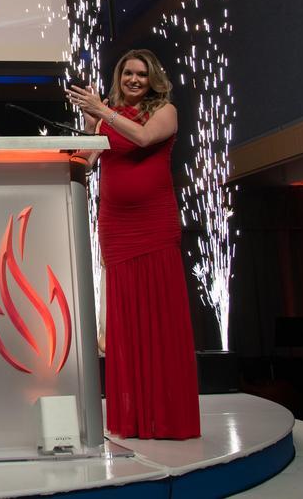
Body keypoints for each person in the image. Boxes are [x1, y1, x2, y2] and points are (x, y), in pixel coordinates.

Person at [67, 48, 201, 440]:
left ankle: (167, 416)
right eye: (128, 73)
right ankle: (134, 417)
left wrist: (103, 112)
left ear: (153, 78)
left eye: (142, 74)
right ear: (119, 76)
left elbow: (142, 138)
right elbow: (89, 162)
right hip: (116, 224)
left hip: (153, 225)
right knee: (124, 320)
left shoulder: (166, 112)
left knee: (160, 317)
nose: (134, 80)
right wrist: (90, 121)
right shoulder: (108, 113)